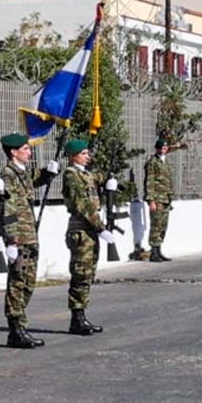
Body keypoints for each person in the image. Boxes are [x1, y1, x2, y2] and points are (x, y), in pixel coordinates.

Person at [0, 132, 44, 349]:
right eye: (25, 149)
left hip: (30, 235)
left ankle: (20, 323)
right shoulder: (7, 175)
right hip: (19, 237)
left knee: (28, 282)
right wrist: (12, 241)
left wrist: (48, 174)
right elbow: (8, 209)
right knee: (17, 283)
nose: (29, 152)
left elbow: (34, 179)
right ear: (13, 152)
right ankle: (15, 329)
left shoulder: (21, 173)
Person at [61, 137, 112, 335]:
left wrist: (110, 180)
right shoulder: (71, 175)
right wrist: (101, 228)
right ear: (73, 156)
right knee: (81, 273)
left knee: (88, 273)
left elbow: (97, 177)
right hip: (81, 230)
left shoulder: (85, 174)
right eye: (83, 154)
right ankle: (77, 317)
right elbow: (82, 205)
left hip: (89, 230)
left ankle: (82, 314)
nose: (87, 156)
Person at [139, 136, 177, 261]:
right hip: (157, 199)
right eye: (161, 148)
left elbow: (169, 181)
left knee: (163, 226)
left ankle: (159, 250)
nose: (163, 150)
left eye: (165, 148)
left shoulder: (166, 162)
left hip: (165, 198)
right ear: (157, 149)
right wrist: (151, 201)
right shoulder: (153, 162)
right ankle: (153, 252)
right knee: (156, 225)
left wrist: (170, 197)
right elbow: (149, 181)